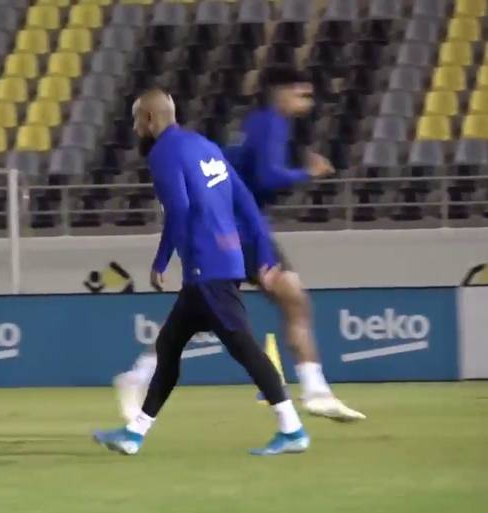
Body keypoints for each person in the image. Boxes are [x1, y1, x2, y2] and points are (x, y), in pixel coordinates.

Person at [114, 68, 365, 423]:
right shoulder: (269, 124)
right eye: (300, 93)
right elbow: (263, 179)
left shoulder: (266, 125)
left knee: (202, 313)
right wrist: (306, 173)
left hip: (237, 226)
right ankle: (308, 397)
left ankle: (138, 375)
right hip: (230, 229)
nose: (306, 101)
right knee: (281, 300)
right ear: (280, 93)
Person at [94, 89, 309, 456]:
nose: (134, 127)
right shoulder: (205, 147)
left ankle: (292, 429)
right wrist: (262, 251)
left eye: (135, 119)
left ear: (148, 119)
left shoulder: (163, 154)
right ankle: (134, 434)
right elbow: (245, 202)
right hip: (222, 263)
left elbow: (178, 210)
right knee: (167, 347)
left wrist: (161, 261)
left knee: (245, 348)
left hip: (206, 267)